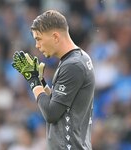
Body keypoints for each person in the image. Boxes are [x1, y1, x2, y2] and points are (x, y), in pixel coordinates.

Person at [12, 10, 95, 150]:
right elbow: (61, 103)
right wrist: (41, 82)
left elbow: (51, 113)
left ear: (55, 37)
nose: (37, 46)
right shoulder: (77, 59)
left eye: (38, 39)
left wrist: (33, 82)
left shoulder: (73, 65)